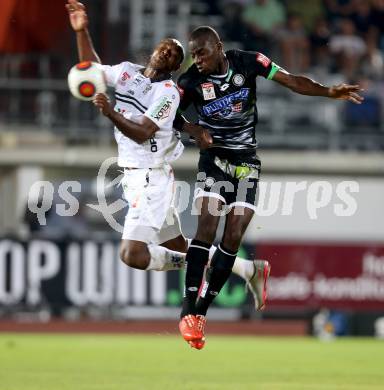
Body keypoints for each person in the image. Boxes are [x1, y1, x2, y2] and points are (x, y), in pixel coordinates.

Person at [66, 0, 271, 322]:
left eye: (175, 54)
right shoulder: (125, 73)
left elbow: (143, 133)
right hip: (135, 176)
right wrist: (82, 31)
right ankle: (248, 268)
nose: (167, 52)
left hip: (151, 178)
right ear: (152, 52)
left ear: (176, 66)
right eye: (165, 47)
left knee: (132, 254)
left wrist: (109, 113)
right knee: (178, 245)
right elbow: (90, 70)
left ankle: (221, 277)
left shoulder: (168, 92)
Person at [176, 26, 364, 349]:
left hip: (247, 162)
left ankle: (202, 314)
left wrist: (328, 92)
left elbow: (291, 81)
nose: (198, 60)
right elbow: (168, 113)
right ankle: (188, 310)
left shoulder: (249, 62)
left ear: (219, 47)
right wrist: (193, 128)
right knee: (206, 227)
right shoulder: (190, 82)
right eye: (193, 54)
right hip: (214, 161)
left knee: (233, 234)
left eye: (202, 53)